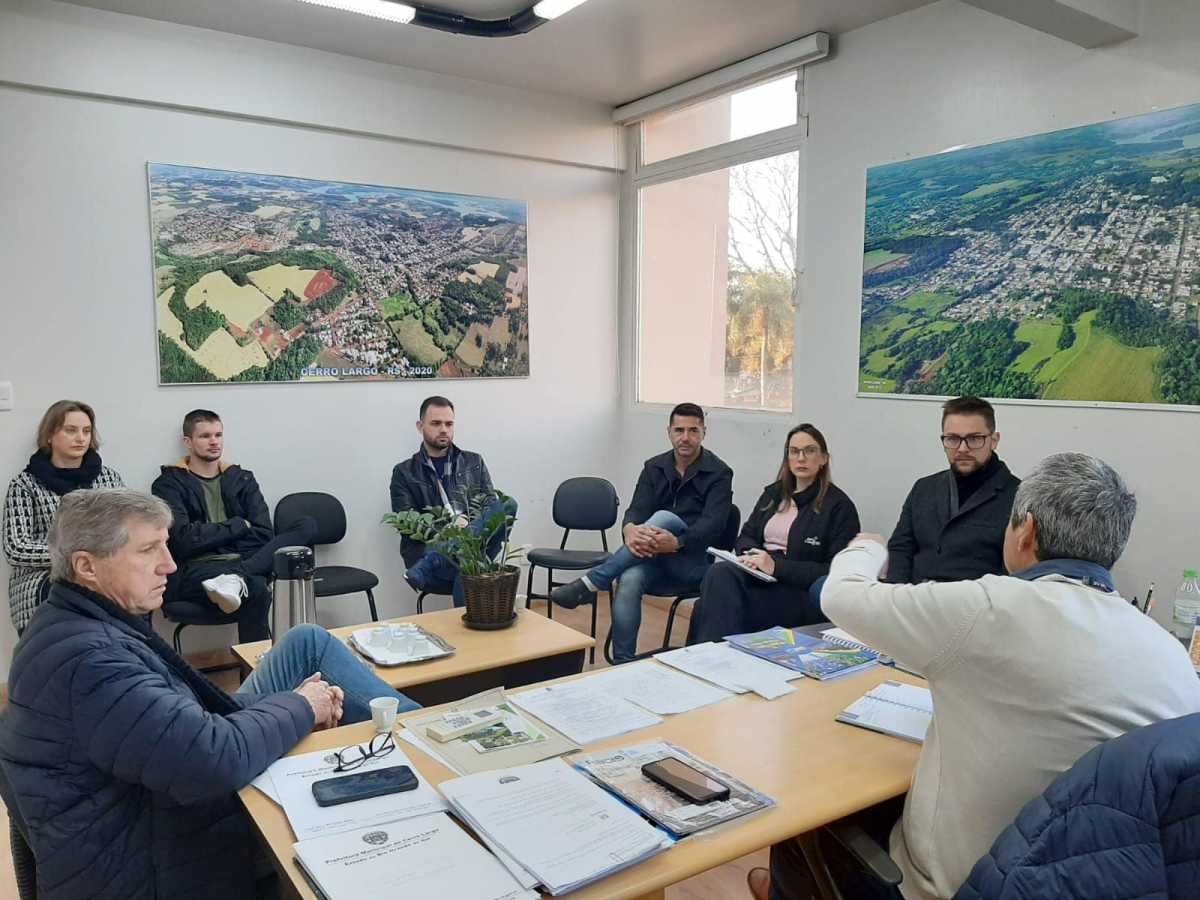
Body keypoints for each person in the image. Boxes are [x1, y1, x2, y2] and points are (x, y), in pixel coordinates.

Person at [753, 453, 1200, 900]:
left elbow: (840, 595)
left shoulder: (988, 609)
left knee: (804, 824)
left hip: (969, 885)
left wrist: (867, 547)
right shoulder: (1169, 651)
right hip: (1110, 884)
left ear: (1025, 531)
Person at [0, 488, 419, 900]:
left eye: (166, 545)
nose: (169, 565)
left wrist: (297, 704)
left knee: (304, 642)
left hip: (157, 816)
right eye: (148, 550)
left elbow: (187, 723)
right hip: (157, 864)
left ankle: (425, 736)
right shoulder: (92, 661)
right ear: (87, 566)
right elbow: (213, 757)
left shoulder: (77, 624)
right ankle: (425, 740)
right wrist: (302, 706)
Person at [552, 402, 733, 662]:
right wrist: (629, 530)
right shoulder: (654, 467)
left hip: (691, 563)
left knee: (664, 517)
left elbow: (713, 525)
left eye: (693, 430)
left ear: (704, 433)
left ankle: (592, 582)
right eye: (679, 430)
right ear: (668, 432)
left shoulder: (719, 473)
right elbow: (636, 510)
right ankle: (623, 663)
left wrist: (677, 542)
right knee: (629, 578)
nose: (685, 437)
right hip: (651, 558)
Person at [151, 409, 316, 642]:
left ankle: (238, 577)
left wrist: (210, 538)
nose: (214, 441)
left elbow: (263, 533)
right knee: (257, 588)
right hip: (196, 569)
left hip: (243, 561)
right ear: (188, 442)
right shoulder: (168, 484)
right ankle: (259, 664)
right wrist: (239, 525)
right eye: (205, 436)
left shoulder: (242, 478)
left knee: (306, 525)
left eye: (218, 435)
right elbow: (183, 541)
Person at [686, 424, 859, 644]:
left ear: (824, 458)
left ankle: (707, 655)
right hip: (760, 577)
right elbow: (746, 535)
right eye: (794, 451)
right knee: (719, 575)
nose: (801, 458)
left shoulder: (839, 507)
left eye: (810, 451)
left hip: (798, 591)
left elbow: (835, 571)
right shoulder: (774, 494)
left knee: (714, 596)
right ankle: (713, 655)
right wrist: (752, 555)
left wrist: (776, 567)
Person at [2, 400, 125, 632]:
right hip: (44, 577)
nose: (81, 438)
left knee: (135, 590)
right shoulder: (25, 484)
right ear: (50, 435)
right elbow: (15, 548)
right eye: (71, 430)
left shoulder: (108, 479)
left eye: (86, 431)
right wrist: (75, 558)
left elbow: (123, 530)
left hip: (100, 571)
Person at [389, 395, 516, 607]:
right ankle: (439, 558)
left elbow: (489, 506)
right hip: (430, 549)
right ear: (420, 426)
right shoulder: (404, 472)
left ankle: (433, 561)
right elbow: (408, 524)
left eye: (449, 424)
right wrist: (449, 531)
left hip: (476, 545)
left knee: (508, 504)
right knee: (469, 565)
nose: (444, 430)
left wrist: (467, 523)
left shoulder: (474, 462)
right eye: (436, 423)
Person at [886, 395, 1019, 584]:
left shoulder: (1020, 497)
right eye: (953, 439)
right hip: (914, 596)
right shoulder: (923, 488)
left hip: (976, 600)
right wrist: (896, 593)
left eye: (974, 438)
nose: (962, 448)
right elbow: (901, 548)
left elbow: (1017, 572)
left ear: (994, 440)